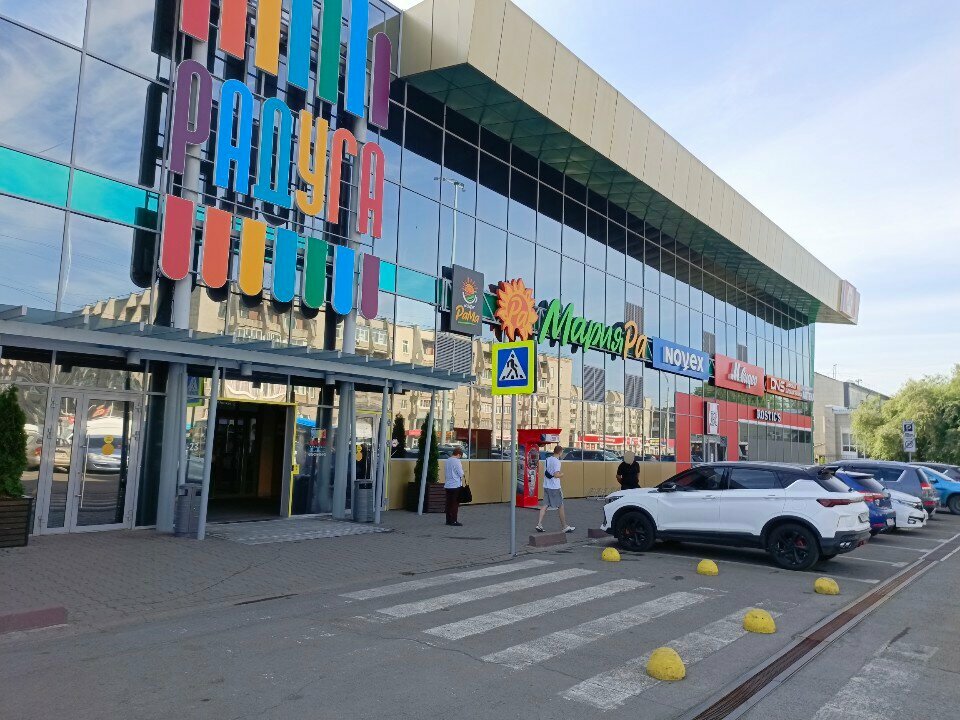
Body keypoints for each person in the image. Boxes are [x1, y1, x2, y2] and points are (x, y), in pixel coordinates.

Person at [536, 445, 575, 533]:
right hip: (554, 487)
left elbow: (547, 472)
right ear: (560, 452)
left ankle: (539, 524)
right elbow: (556, 475)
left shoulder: (548, 459)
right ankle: (564, 526)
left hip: (546, 485)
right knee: (560, 506)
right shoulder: (557, 462)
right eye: (562, 452)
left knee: (545, 505)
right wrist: (562, 474)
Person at [444, 446, 465, 526]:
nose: (460, 458)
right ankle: (454, 521)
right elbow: (460, 473)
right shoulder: (457, 461)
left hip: (448, 485)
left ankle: (448, 520)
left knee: (448, 503)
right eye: (460, 456)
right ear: (458, 454)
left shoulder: (447, 460)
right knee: (455, 504)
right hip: (455, 485)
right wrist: (463, 473)